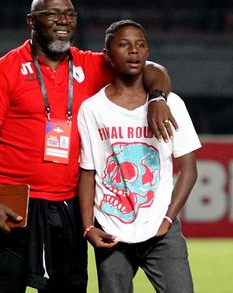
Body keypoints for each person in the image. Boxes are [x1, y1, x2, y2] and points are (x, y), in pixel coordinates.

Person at [0, 0, 178, 293]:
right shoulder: (3, 70)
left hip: (66, 205)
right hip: (11, 203)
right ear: (31, 20)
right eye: (53, 14)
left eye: (69, 15)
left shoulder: (91, 66)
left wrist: (158, 98)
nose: (63, 21)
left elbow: (152, 70)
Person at [77, 19, 201, 293]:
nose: (133, 51)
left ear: (147, 53)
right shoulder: (92, 109)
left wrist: (168, 219)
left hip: (161, 231)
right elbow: (88, 172)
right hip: (111, 230)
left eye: (140, 45)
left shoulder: (172, 104)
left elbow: (189, 169)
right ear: (108, 55)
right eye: (124, 45)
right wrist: (88, 227)